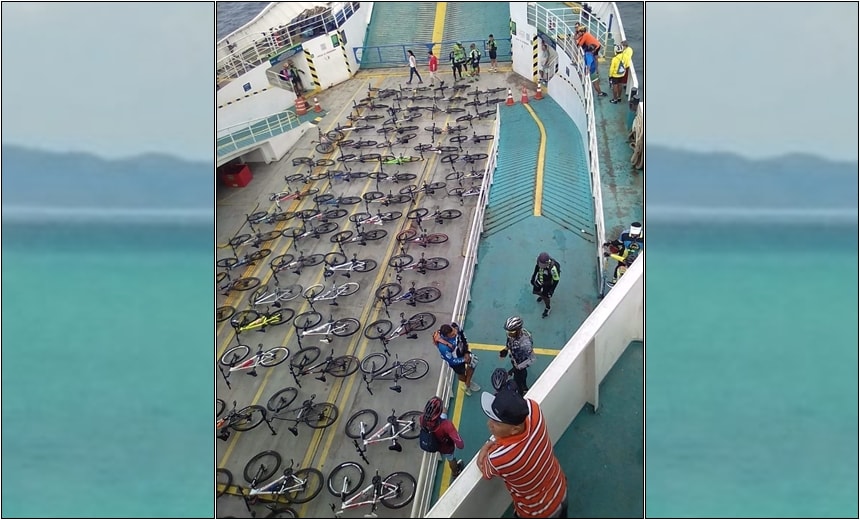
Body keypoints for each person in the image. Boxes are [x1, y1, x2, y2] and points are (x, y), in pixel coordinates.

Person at [478, 390, 568, 518]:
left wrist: (485, 448)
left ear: (514, 429)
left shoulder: (499, 458)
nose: (489, 424)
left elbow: (485, 469)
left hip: (539, 513)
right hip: (560, 488)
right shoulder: (534, 409)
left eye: (496, 423)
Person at [419, 396, 466, 478]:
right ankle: (455, 472)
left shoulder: (422, 418)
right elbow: (460, 445)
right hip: (446, 447)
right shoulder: (447, 425)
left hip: (434, 442)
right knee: (451, 459)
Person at [434, 323, 481, 395]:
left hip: (462, 352)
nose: (455, 334)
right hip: (456, 362)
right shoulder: (443, 347)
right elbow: (451, 361)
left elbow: (463, 337)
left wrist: (466, 352)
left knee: (474, 362)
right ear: (446, 337)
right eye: (452, 335)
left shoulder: (455, 327)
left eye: (454, 331)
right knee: (461, 374)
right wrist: (464, 359)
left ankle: (467, 383)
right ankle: (467, 384)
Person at [499, 316, 535, 397]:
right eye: (508, 332)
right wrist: (506, 349)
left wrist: (513, 370)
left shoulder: (525, 343)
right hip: (515, 359)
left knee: (519, 378)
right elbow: (509, 341)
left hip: (520, 364)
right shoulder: (512, 335)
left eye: (511, 333)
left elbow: (530, 359)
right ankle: (524, 387)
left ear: (518, 330)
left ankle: (522, 391)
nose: (509, 334)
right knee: (519, 377)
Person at [530, 252, 561, 318]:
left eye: (542, 265)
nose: (540, 266)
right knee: (535, 291)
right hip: (539, 279)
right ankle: (542, 296)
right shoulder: (539, 262)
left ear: (547, 263)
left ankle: (548, 307)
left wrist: (552, 291)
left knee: (546, 296)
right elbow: (536, 268)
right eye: (540, 264)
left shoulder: (553, 269)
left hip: (548, 284)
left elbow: (556, 280)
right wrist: (533, 277)